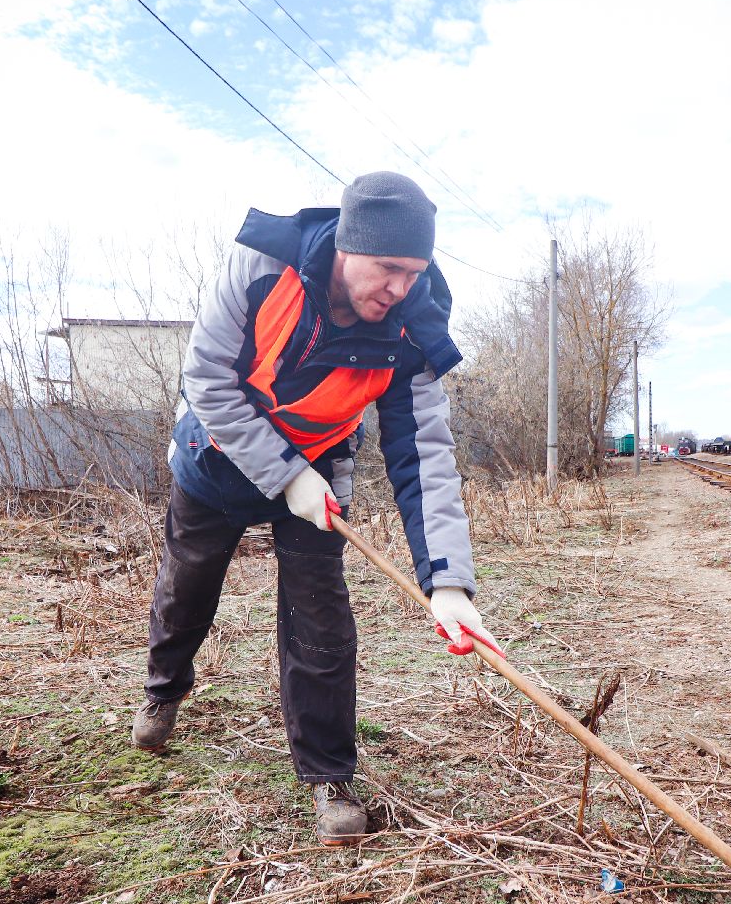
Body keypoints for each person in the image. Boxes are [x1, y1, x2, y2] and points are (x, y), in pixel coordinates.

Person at [132, 172, 500, 845]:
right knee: (187, 587)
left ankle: (329, 774)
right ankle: (163, 690)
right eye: (388, 269)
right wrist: (284, 473)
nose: (399, 288)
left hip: (320, 471)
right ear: (348, 248)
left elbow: (424, 454)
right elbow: (207, 380)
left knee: (320, 615)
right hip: (219, 454)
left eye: (413, 273)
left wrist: (447, 582)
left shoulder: (413, 324)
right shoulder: (259, 267)